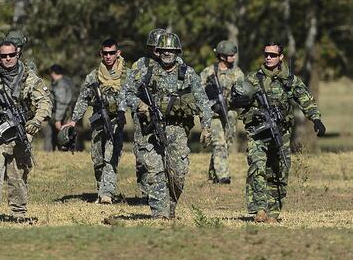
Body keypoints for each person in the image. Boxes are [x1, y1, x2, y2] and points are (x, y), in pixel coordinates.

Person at [230, 42, 325, 223]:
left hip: (281, 133)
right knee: (257, 167)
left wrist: (316, 119)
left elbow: (306, 99)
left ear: (281, 57)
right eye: (266, 54)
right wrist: (246, 107)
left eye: (273, 55)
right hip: (258, 132)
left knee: (279, 171)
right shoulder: (252, 79)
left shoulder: (289, 80)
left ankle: (273, 213)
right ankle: (260, 209)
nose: (268, 57)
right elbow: (236, 101)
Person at [123, 33, 213, 219]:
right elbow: (127, 93)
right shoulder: (146, 70)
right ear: (158, 51)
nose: (167, 53)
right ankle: (159, 215)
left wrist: (206, 126)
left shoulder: (187, 73)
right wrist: (140, 105)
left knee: (177, 173)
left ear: (177, 51)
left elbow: (203, 101)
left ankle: (170, 207)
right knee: (154, 172)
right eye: (164, 50)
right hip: (150, 128)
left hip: (177, 130)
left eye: (171, 50)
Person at [0, 40, 52, 222]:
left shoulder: (30, 79)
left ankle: (18, 212)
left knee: (17, 175)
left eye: (11, 55)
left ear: (18, 55)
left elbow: (45, 103)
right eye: (3, 56)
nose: (7, 59)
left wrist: (36, 121)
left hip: (20, 133)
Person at [65, 38, 128, 203]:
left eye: (112, 53)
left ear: (118, 53)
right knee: (98, 159)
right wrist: (74, 120)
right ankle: (102, 189)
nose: (108, 56)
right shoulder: (94, 76)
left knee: (111, 156)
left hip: (116, 121)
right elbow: (83, 99)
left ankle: (107, 193)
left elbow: (135, 96)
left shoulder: (127, 75)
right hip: (98, 120)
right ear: (101, 54)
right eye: (105, 53)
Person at [119, 27, 165, 201]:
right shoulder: (140, 65)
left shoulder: (176, 65)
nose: (158, 51)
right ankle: (145, 194)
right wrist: (140, 105)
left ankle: (163, 194)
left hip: (167, 118)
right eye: (154, 47)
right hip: (144, 119)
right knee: (142, 156)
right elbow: (127, 92)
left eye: (160, 47)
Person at [200, 40, 244, 184]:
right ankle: (223, 176)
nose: (233, 57)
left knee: (226, 144)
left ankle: (213, 173)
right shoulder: (209, 72)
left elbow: (242, 93)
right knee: (218, 143)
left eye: (233, 54)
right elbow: (199, 92)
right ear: (222, 56)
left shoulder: (237, 73)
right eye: (230, 54)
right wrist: (210, 102)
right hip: (213, 114)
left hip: (230, 113)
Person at [46, 64, 75, 152]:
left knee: (59, 136)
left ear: (53, 73)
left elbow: (61, 103)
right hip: (67, 114)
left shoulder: (60, 85)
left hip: (62, 115)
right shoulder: (66, 81)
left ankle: (54, 153)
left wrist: (58, 119)